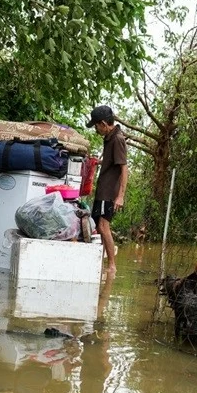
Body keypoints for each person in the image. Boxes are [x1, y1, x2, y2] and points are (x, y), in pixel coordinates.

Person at [86, 105, 128, 276]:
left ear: (103, 123)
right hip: (103, 190)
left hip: (110, 192)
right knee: (99, 225)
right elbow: (112, 162)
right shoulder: (110, 138)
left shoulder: (117, 139)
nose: (96, 129)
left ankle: (112, 266)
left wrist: (120, 196)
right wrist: (98, 162)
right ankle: (105, 263)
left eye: (96, 126)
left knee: (104, 226)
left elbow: (124, 169)